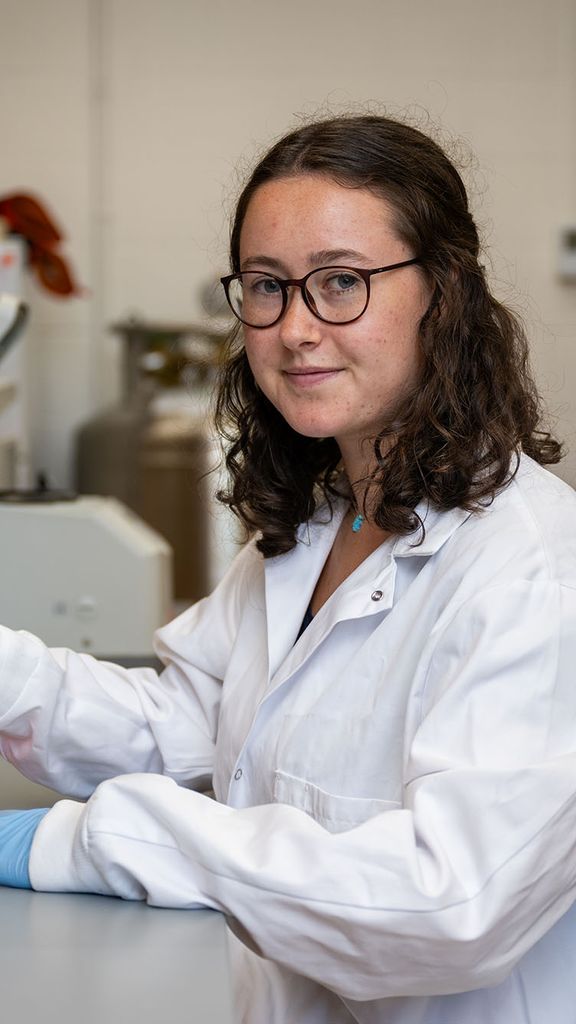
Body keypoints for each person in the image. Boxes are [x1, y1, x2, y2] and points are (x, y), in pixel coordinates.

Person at [1, 114, 576, 1024]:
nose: (295, 329)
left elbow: (453, 904)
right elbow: (189, 735)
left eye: (340, 282)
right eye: (266, 287)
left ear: (446, 292)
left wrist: (95, 841)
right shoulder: (317, 523)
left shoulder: (533, 574)